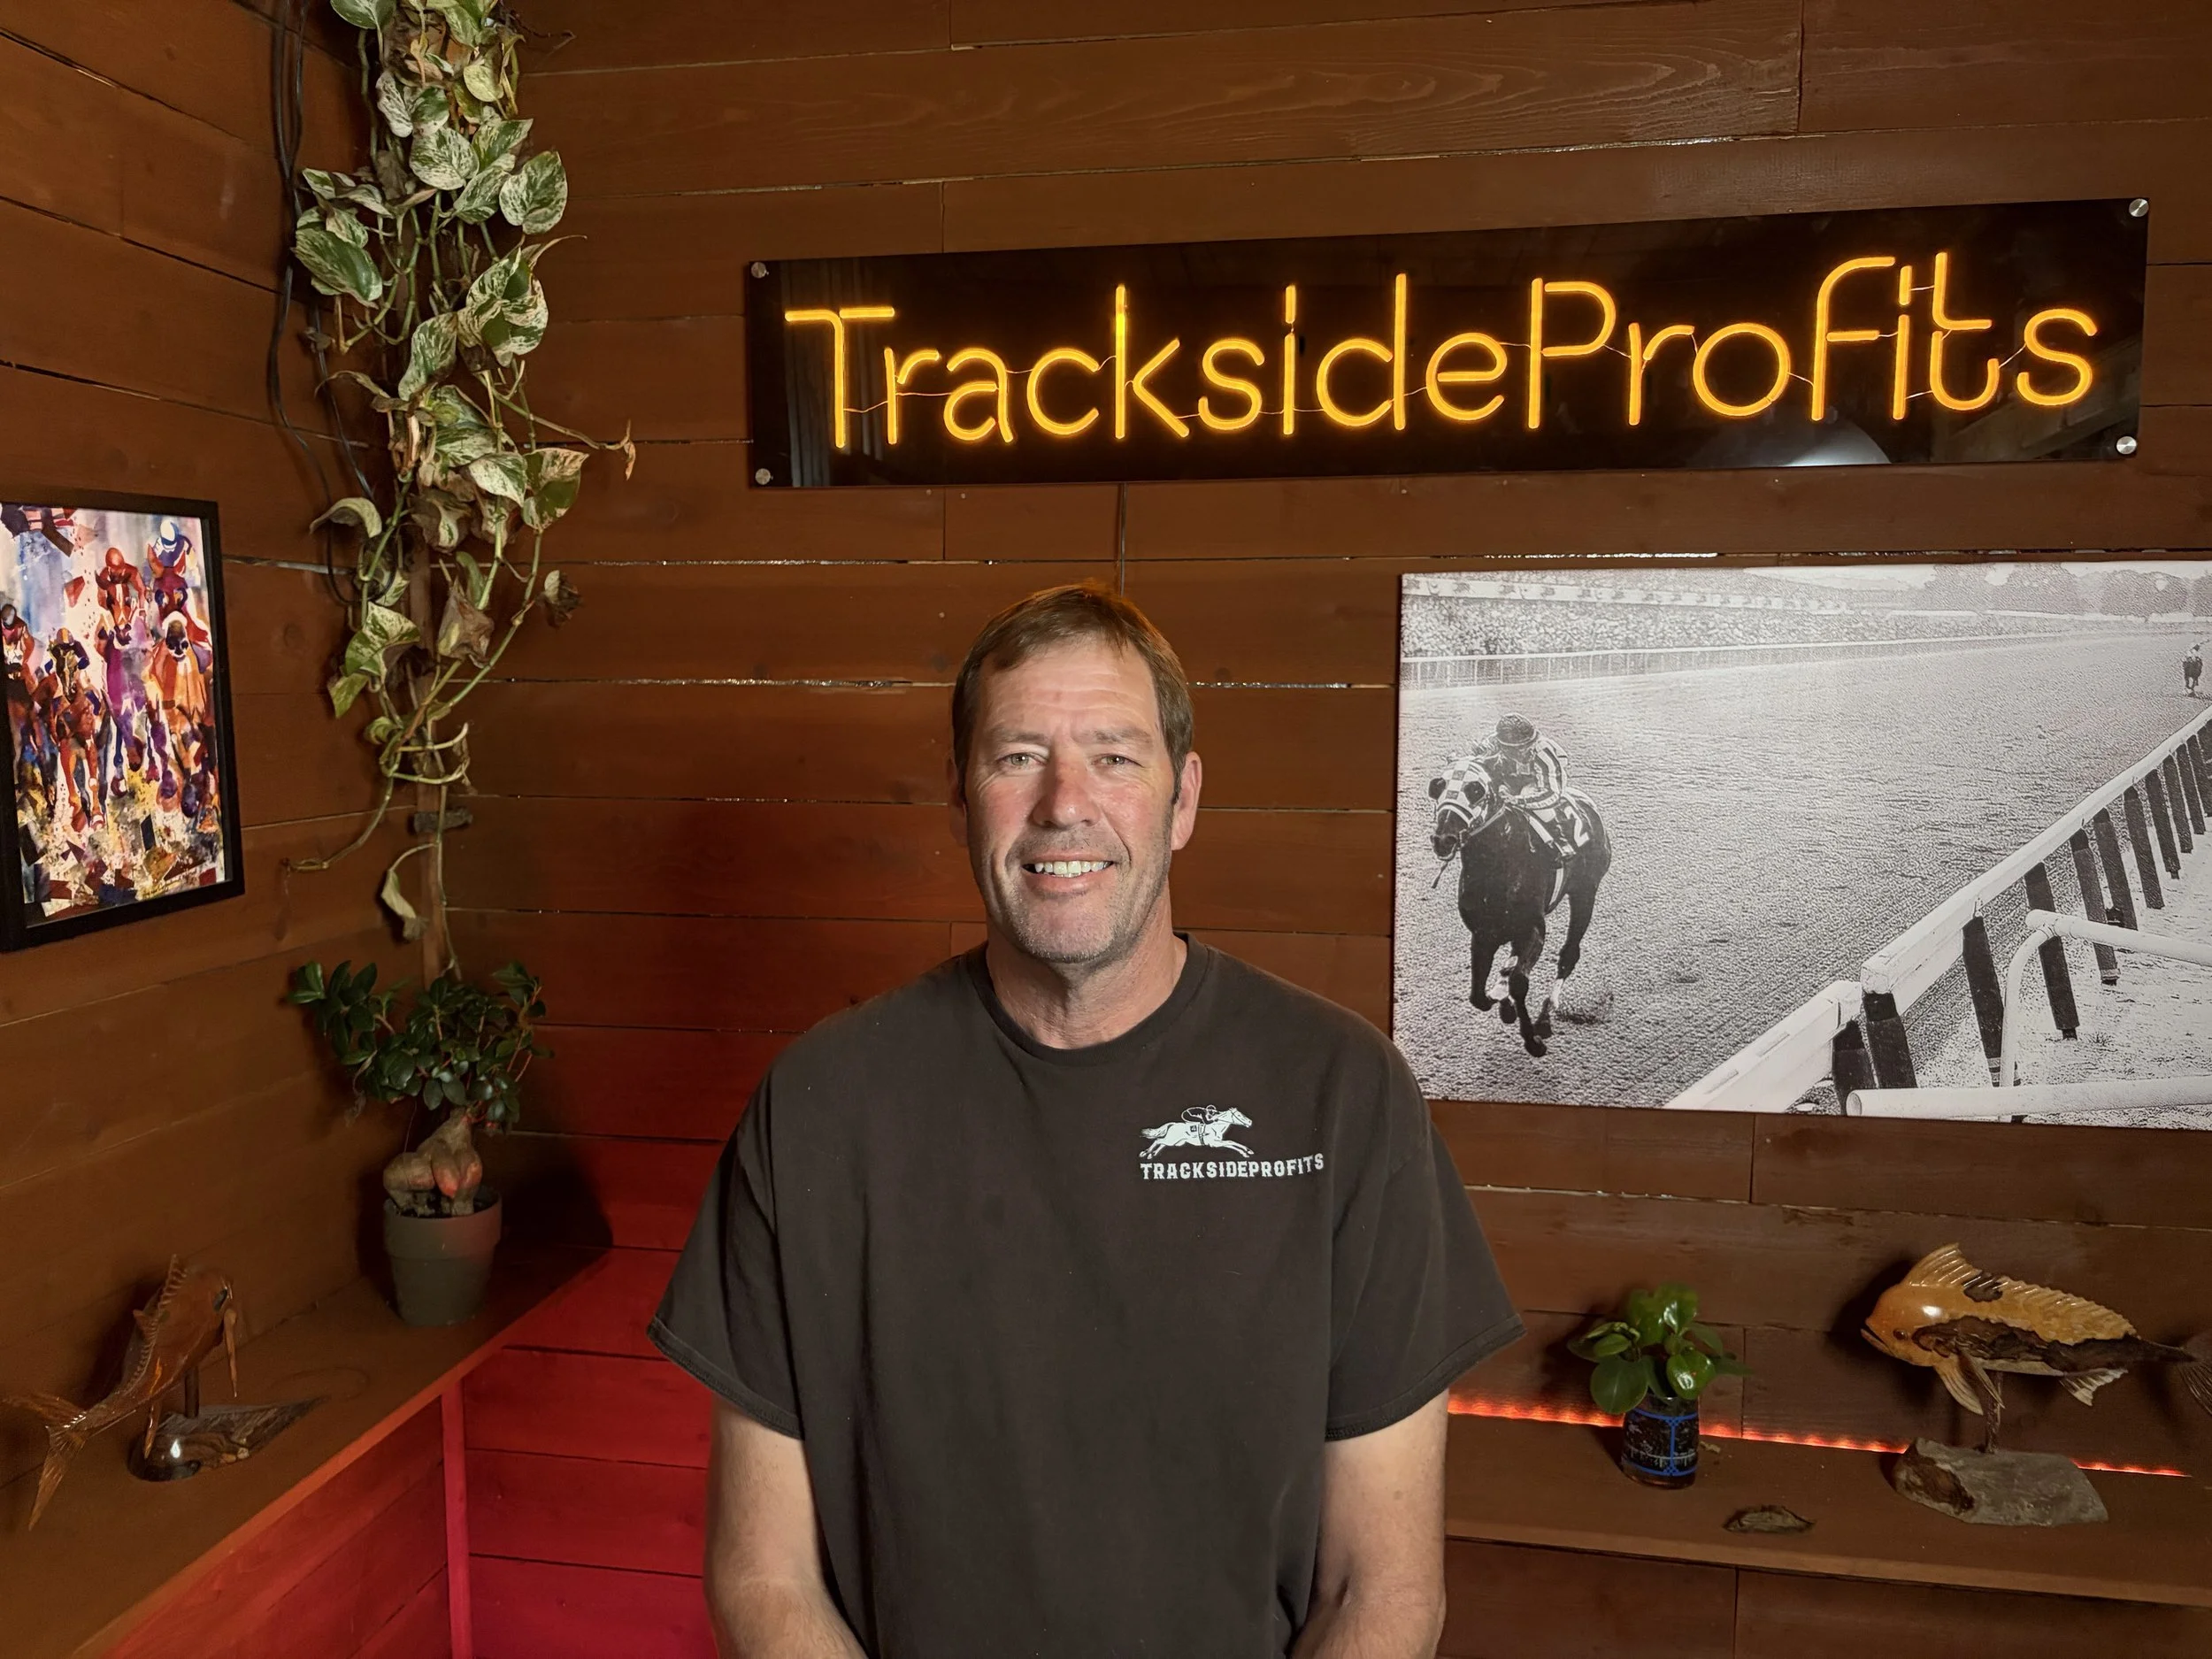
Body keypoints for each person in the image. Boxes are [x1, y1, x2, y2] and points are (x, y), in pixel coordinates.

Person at [653, 581, 1521, 1659]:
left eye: (1113, 755)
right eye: (1017, 756)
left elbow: (1379, 1594)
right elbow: (762, 1577)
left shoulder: (1343, 1096)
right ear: (962, 799)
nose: (1065, 802)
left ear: (1183, 798)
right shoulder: (820, 1108)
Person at [1460, 711, 1582, 863]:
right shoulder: (1495, 742)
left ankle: (1560, 841)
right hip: (1510, 775)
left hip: (1539, 780)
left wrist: (1519, 800)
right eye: (1518, 748)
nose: (1524, 751)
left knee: (1531, 796)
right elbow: (1478, 760)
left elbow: (1551, 793)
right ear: (1503, 745)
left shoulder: (1543, 752)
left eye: (1527, 745)